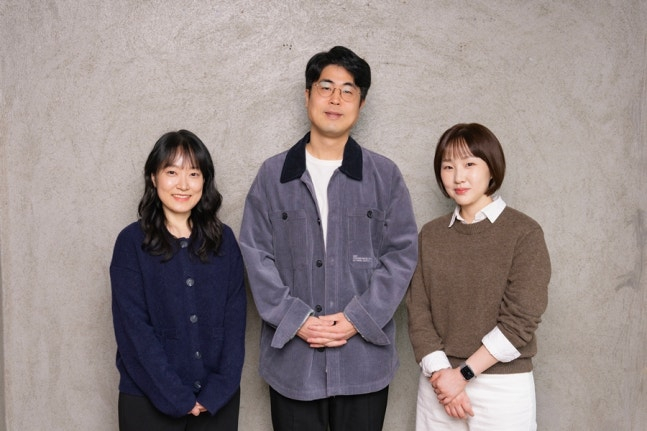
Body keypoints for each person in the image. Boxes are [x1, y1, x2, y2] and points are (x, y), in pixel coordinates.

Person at [239, 46, 418, 431]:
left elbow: (401, 255)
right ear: (307, 96)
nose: (335, 99)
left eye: (348, 90)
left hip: (363, 363)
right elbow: (255, 255)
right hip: (293, 365)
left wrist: (357, 319)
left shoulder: (384, 176)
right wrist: (296, 319)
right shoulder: (272, 176)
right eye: (326, 87)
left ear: (361, 103)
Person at [406, 123, 551, 430]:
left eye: (469, 164)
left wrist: (463, 375)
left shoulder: (524, 233)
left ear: (491, 168)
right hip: (437, 383)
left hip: (502, 387)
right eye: (448, 166)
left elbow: (521, 319)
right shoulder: (430, 235)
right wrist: (442, 375)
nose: (458, 177)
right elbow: (418, 312)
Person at [110, 130, 246, 431]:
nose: (183, 184)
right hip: (146, 400)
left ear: (205, 181)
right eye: (172, 172)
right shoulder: (131, 243)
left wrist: (216, 392)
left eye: (194, 173)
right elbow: (134, 332)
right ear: (153, 177)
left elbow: (235, 323)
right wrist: (178, 397)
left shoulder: (224, 241)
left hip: (216, 402)